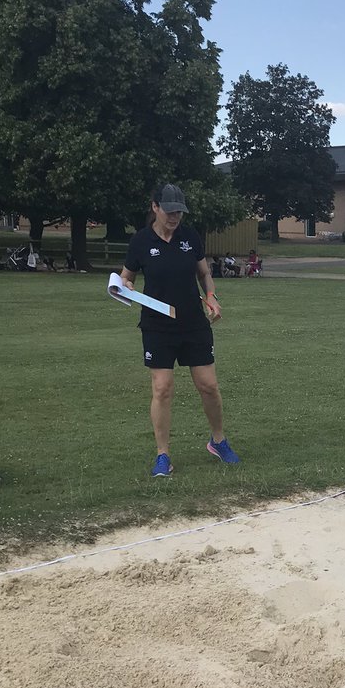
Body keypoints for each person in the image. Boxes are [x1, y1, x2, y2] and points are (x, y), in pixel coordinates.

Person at [116, 182, 241, 477]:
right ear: (155, 208)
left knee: (208, 386)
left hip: (193, 324)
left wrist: (211, 297)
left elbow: (204, 273)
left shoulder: (190, 237)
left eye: (179, 212)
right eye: (169, 211)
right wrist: (126, 287)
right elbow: (125, 278)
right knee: (162, 389)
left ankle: (218, 441)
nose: (175, 217)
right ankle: (163, 455)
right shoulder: (141, 241)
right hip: (157, 326)